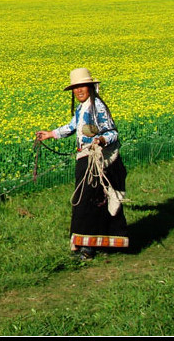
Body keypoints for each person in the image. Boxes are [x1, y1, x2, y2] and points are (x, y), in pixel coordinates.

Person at [36, 67, 129, 260]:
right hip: (86, 158)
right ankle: (93, 243)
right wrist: (51, 134)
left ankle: (88, 248)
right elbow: (72, 127)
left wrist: (101, 140)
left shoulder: (98, 107)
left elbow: (113, 133)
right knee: (89, 202)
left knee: (88, 202)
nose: (78, 91)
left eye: (82, 86)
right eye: (75, 88)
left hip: (99, 161)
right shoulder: (82, 107)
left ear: (90, 87)